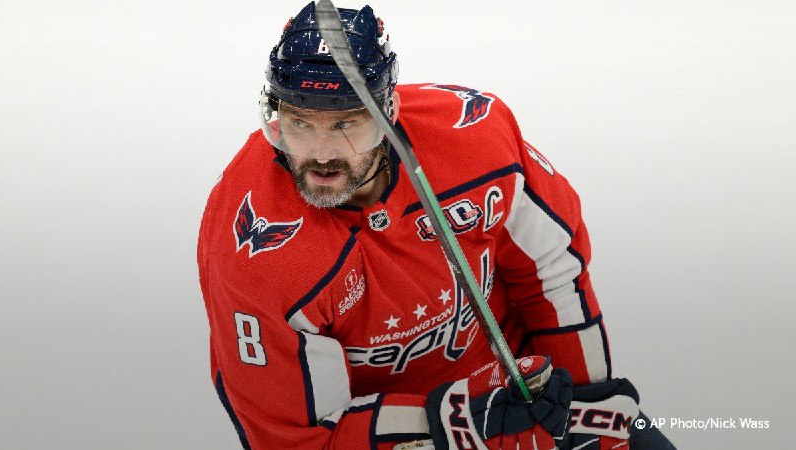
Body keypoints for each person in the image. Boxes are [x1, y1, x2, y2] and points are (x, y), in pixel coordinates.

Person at [197, 2, 677, 449]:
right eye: (300, 123)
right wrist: (454, 423)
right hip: (388, 431)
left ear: (388, 112)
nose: (321, 155)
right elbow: (300, 439)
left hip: (522, 388)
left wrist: (583, 403)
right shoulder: (253, 251)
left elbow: (551, 273)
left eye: (346, 124)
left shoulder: (475, 139)